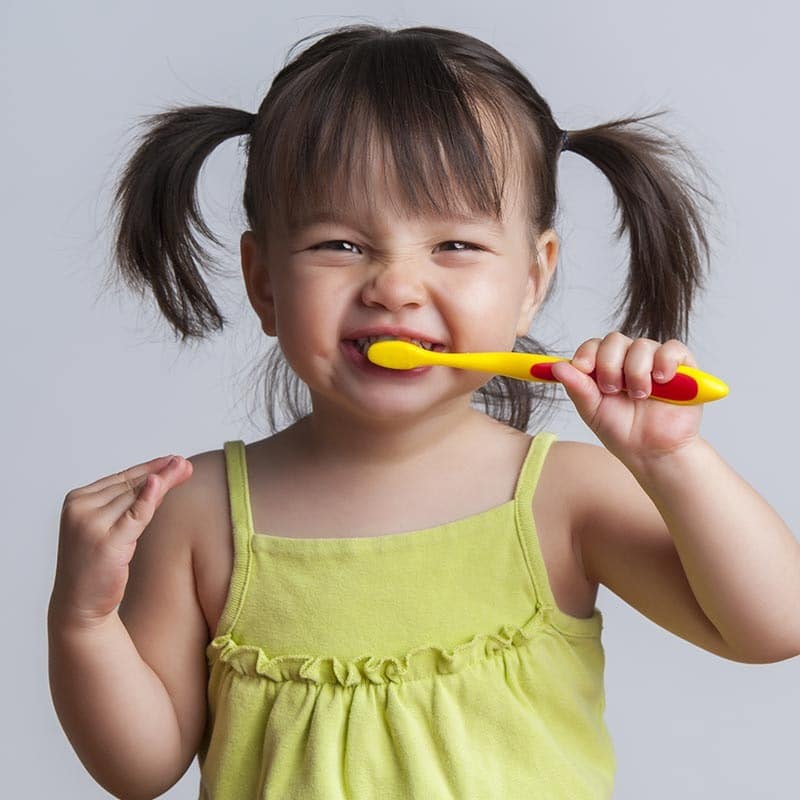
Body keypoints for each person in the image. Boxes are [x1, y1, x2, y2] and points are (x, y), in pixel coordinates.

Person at [47, 23, 800, 800]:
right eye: (339, 245)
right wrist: (83, 621)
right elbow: (138, 771)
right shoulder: (198, 514)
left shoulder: (563, 499)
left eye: (455, 246)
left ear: (531, 281)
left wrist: (673, 461)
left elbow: (774, 628)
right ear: (264, 282)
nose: (394, 286)